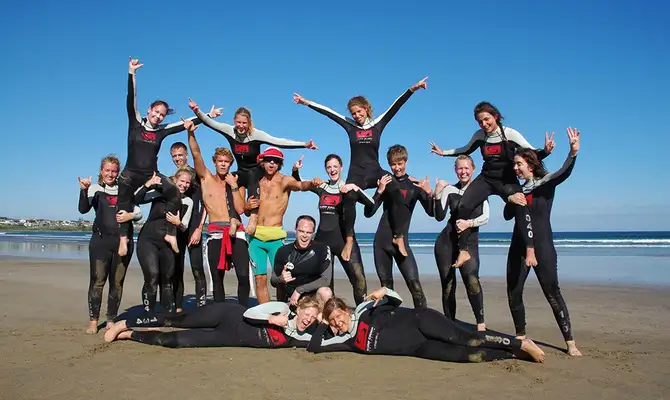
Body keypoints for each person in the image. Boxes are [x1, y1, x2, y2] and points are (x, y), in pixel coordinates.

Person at [293, 77, 428, 261]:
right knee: (348, 196)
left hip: (375, 172)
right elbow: (329, 112)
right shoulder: (350, 125)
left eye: (359, 111)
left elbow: (395, 107)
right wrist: (305, 102)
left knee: (397, 189)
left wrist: (413, 89)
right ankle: (349, 240)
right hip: (356, 174)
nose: (356, 115)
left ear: (366, 108)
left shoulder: (377, 124)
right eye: (353, 113)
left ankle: (398, 236)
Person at [429, 101, 555, 268]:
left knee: (520, 203)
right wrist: (443, 153)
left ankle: (530, 249)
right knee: (464, 205)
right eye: (480, 121)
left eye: (486, 119)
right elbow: (465, 149)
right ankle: (463, 250)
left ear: (495, 116)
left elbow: (530, 153)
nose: (484, 124)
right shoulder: (479, 135)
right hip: (487, 178)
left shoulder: (509, 134)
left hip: (506, 180)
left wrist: (545, 151)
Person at [117, 57, 220, 257]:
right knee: (124, 200)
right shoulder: (136, 123)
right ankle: (123, 239)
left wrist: (207, 115)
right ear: (149, 110)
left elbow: (183, 123)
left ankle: (171, 234)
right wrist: (132, 73)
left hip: (151, 174)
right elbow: (131, 99)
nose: (158, 116)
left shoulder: (161, 130)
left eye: (162, 115)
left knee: (173, 191)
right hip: (130, 173)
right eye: (156, 112)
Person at [307, 287, 546, 363]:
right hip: (419, 348)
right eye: (333, 320)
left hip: (421, 322)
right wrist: (322, 323)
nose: (338, 321)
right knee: (467, 356)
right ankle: (512, 354)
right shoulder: (347, 341)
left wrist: (385, 291)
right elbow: (315, 347)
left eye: (338, 315)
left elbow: (396, 301)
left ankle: (519, 343)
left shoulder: (363, 310)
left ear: (345, 310)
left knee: (467, 339)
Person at [505, 127, 582, 357]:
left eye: (519, 164)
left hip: (543, 246)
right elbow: (508, 215)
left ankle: (570, 342)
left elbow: (563, 172)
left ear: (530, 164)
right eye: (514, 164)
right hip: (518, 246)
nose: (515, 168)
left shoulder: (545, 183)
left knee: (552, 292)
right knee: (514, 292)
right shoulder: (517, 189)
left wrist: (573, 153)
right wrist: (510, 199)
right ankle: (521, 338)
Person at [188, 98, 318, 236]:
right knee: (229, 179)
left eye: (244, 123)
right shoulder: (229, 131)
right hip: (242, 170)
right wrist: (197, 110)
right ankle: (234, 219)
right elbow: (210, 123)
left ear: (249, 122)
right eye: (238, 122)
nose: (241, 126)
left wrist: (304, 144)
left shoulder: (256, 134)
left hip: (256, 170)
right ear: (234, 121)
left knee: (251, 175)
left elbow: (279, 141)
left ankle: (253, 218)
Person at [182, 119, 250, 306]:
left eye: (227, 162)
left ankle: (242, 311)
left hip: (237, 233)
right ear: (214, 162)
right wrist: (190, 133)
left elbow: (240, 209)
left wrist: (234, 186)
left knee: (243, 275)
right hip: (215, 234)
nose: (223, 165)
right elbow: (196, 154)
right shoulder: (206, 178)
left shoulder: (236, 182)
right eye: (220, 161)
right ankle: (221, 312)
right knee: (217, 277)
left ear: (230, 163)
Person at [292, 154, 371, 304]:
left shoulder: (347, 188)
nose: (332, 169)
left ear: (341, 167)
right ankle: (329, 313)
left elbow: (371, 203)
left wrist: (355, 188)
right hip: (323, 242)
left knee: (359, 279)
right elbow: (299, 183)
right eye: (329, 167)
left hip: (344, 241)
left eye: (335, 166)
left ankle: (362, 313)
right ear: (325, 169)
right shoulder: (322, 186)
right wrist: (295, 170)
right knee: (325, 284)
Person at [103, 295, 323, 349]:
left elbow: (324, 342)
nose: (308, 319)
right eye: (307, 313)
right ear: (299, 308)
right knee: (174, 320)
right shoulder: (281, 309)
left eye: (313, 317)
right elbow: (249, 314)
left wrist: (323, 322)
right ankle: (126, 323)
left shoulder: (300, 336)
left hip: (225, 338)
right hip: (227, 315)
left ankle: (130, 334)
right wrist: (272, 319)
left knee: (173, 342)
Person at [247, 147, 321, 304]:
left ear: (280, 164)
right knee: (260, 279)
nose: (271, 163)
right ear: (262, 162)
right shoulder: (256, 182)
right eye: (268, 160)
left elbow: (300, 185)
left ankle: (281, 310)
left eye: (275, 161)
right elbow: (247, 211)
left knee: (281, 279)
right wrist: (247, 207)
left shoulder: (284, 180)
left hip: (276, 238)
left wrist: (312, 183)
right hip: (256, 238)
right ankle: (265, 314)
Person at [78, 155, 142, 334]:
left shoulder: (125, 190)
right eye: (107, 170)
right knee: (97, 281)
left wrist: (130, 216)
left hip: (122, 242)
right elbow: (83, 209)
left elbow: (139, 213)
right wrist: (83, 190)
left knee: (117, 283)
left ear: (118, 172)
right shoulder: (95, 189)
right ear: (101, 171)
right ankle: (93, 320)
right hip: (100, 242)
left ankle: (111, 319)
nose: (110, 174)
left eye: (114, 171)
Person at [364, 145, 433, 308]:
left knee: (415, 286)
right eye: (393, 165)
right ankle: (389, 319)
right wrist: (379, 191)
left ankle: (421, 319)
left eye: (399, 163)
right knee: (387, 290)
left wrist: (429, 193)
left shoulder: (415, 185)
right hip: (382, 242)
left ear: (406, 162)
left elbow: (432, 212)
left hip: (401, 242)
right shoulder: (387, 183)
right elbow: (368, 212)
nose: (397, 168)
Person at [433, 155, 489, 331]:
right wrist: (437, 193)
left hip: (469, 244)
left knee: (472, 281)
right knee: (448, 285)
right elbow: (439, 216)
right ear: (455, 170)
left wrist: (469, 223)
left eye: (466, 168)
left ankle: (480, 324)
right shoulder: (450, 190)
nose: (463, 172)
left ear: (473, 169)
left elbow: (485, 217)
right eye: (459, 168)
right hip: (446, 243)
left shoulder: (481, 191)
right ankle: (451, 325)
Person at [134, 168, 194, 313]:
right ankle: (148, 314)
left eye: (187, 183)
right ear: (175, 180)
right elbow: (137, 199)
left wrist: (177, 222)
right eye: (182, 181)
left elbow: (184, 227)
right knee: (152, 277)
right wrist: (147, 185)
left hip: (168, 244)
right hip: (148, 240)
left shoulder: (188, 201)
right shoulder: (159, 192)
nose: (184, 185)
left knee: (167, 280)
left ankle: (166, 316)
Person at [169, 142, 208, 311]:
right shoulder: (173, 179)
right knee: (176, 269)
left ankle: (201, 308)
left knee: (197, 268)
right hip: (177, 229)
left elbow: (206, 203)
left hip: (193, 229)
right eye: (174, 156)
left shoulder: (196, 176)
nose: (178, 159)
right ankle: (178, 307)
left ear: (186, 155)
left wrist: (199, 228)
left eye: (180, 155)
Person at [271, 215, 333, 306]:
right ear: (295, 229)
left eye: (308, 232)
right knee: (280, 285)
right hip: (291, 298)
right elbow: (273, 281)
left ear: (313, 233)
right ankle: (282, 308)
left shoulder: (322, 250)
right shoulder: (283, 251)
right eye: (301, 231)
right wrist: (281, 279)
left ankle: (322, 314)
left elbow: (326, 280)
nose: (305, 236)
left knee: (326, 292)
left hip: (313, 298)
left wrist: (300, 290)